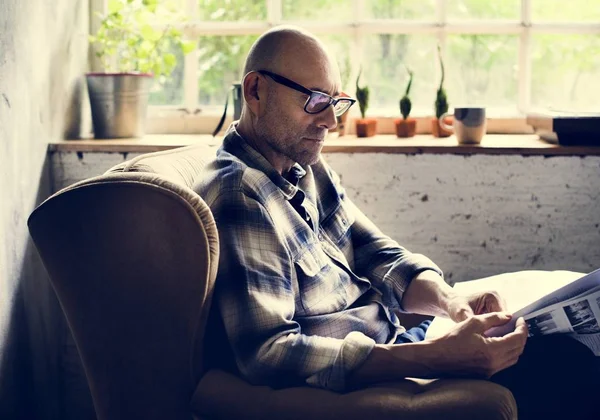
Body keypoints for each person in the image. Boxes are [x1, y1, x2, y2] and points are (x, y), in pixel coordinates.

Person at [196, 25, 598, 419]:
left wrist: (452, 304)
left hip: (401, 343)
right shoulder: (241, 195)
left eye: (335, 102)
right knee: (569, 368)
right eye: (315, 100)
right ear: (256, 91)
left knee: (564, 351)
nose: (330, 122)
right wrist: (434, 357)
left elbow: (378, 253)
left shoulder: (303, 166)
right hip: (379, 372)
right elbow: (269, 353)